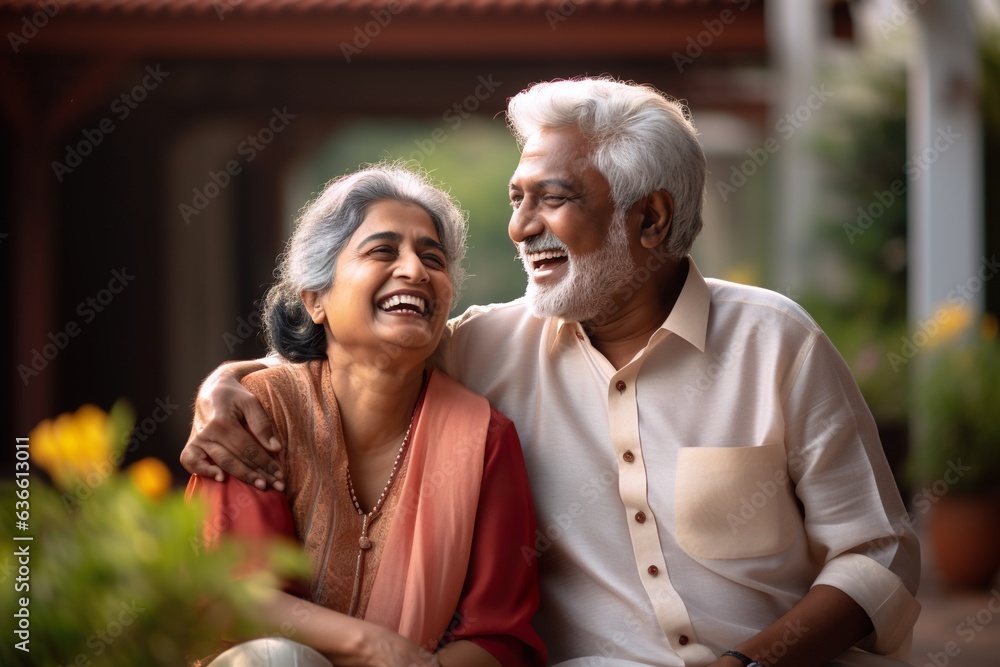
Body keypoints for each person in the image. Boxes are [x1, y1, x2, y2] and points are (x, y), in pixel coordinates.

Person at [182, 77, 921, 667]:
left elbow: (877, 559)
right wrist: (229, 387)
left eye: (552, 197)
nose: (519, 225)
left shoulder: (775, 341)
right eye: (515, 198)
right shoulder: (490, 346)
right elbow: (351, 351)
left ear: (651, 219)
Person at [185, 164, 547, 667]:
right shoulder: (257, 414)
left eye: (433, 258)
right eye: (382, 250)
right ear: (315, 300)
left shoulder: (482, 437)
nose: (416, 271)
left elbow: (498, 638)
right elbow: (237, 598)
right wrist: (375, 645)